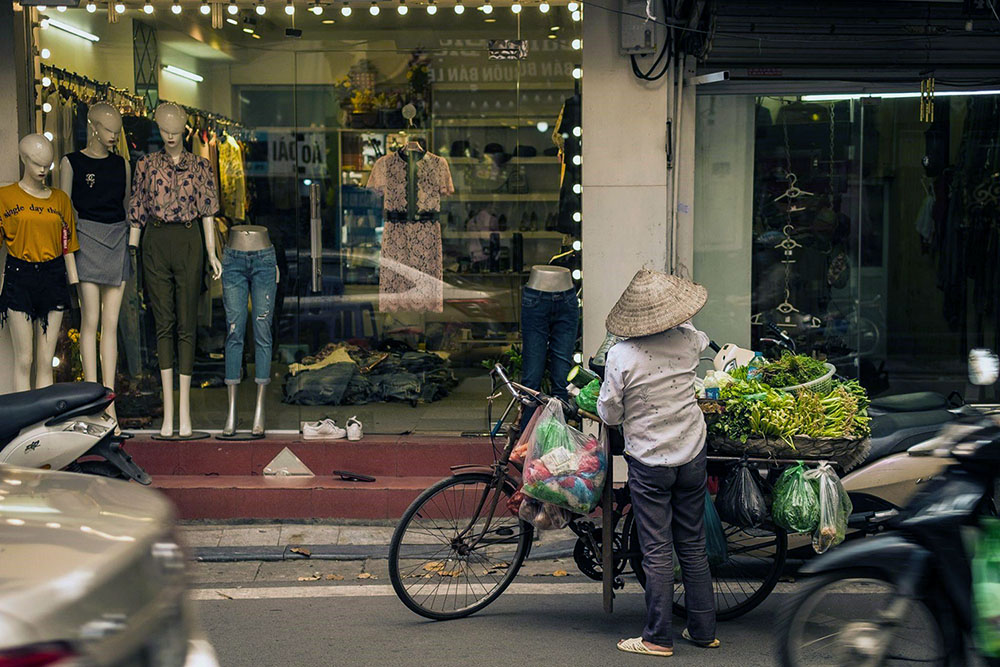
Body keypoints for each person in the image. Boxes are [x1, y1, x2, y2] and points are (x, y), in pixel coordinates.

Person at [596, 268, 719, 658]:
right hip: (692, 454)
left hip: (650, 461)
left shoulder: (620, 354)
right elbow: (700, 337)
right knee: (693, 546)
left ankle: (657, 638)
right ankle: (702, 630)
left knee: (658, 550)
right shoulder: (688, 341)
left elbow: (610, 414)